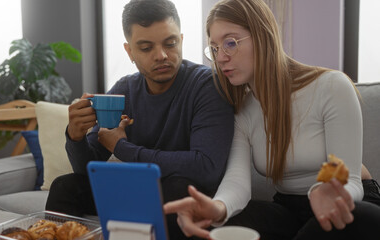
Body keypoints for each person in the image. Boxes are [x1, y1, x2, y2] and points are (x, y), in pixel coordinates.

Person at [163, 0, 380, 239]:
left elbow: (346, 176)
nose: (221, 57)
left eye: (230, 43)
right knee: (211, 223)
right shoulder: (242, 110)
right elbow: (237, 182)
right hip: (288, 209)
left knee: (348, 221)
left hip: (346, 203)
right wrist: (218, 208)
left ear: (262, 36)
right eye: (214, 48)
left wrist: (326, 189)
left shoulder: (330, 87)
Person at [45, 0, 234, 239]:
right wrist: (75, 136)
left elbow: (207, 168)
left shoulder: (207, 85)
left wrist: (122, 148)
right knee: (65, 186)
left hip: (183, 195)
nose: (162, 55)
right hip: (136, 192)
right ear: (129, 51)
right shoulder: (124, 90)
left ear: (182, 40)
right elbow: (87, 169)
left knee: (177, 190)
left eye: (170, 43)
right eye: (146, 48)